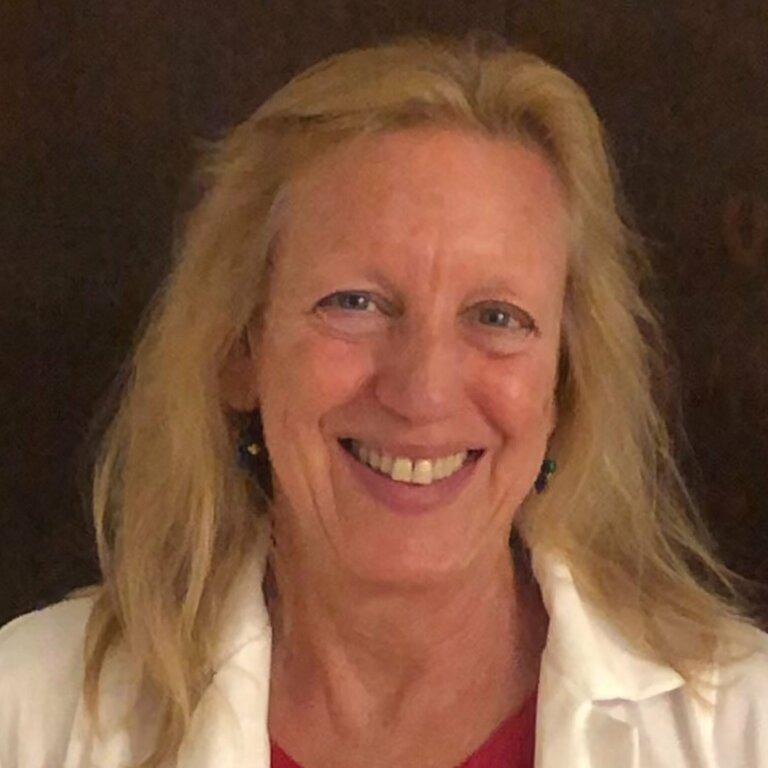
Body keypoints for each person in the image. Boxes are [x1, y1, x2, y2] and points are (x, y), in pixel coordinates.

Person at [1, 34, 767, 768]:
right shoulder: (27, 710)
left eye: (497, 317)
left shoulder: (744, 728)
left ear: (564, 383)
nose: (422, 390)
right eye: (355, 303)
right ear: (240, 349)